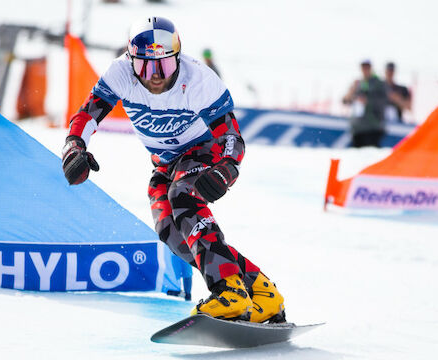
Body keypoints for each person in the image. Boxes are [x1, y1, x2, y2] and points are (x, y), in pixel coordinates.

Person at [61, 17, 286, 323]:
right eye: (144, 67)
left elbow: (232, 138)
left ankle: (228, 290)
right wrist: (75, 148)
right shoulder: (120, 73)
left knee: (183, 195)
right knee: (173, 233)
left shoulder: (198, 80)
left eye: (163, 67)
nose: (154, 77)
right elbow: (88, 114)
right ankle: (262, 292)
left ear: (178, 58)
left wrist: (225, 171)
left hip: (204, 151)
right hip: (164, 163)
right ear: (130, 62)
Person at [342, 60, 387, 147]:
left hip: (373, 128)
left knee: (370, 154)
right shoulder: (357, 83)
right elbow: (345, 101)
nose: (365, 70)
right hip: (357, 128)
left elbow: (384, 101)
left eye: (367, 67)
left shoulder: (378, 83)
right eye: (363, 67)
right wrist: (352, 92)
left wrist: (368, 101)